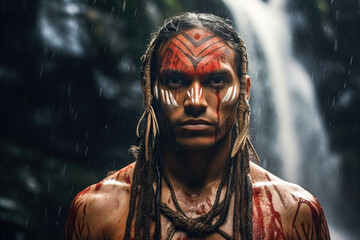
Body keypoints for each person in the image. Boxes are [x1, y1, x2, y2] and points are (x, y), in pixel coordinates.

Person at [64, 12, 330, 240]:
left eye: (215, 81)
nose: (195, 102)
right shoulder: (99, 212)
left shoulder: (293, 213)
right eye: (176, 81)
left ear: (244, 91)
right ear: (149, 90)